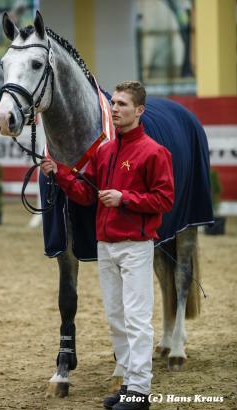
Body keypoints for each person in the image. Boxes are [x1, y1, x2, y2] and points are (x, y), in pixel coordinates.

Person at [41, 81, 174, 410]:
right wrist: (60, 174)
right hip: (107, 246)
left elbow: (165, 199)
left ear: (139, 111)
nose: (114, 109)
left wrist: (124, 198)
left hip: (135, 245)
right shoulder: (105, 151)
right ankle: (128, 383)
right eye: (113, 103)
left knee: (137, 319)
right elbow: (88, 195)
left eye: (123, 105)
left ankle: (140, 391)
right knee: (116, 317)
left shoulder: (155, 152)